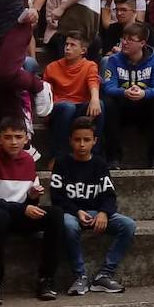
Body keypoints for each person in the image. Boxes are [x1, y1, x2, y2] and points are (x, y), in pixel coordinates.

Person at [0, 117, 63, 305]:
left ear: (26, 139)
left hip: (17, 214)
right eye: (8, 137)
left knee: (55, 215)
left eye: (18, 137)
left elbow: (30, 201)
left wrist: (32, 196)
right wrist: (23, 208)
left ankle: (46, 279)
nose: (13, 142)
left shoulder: (29, 160)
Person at [51, 117, 136, 295]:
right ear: (70, 140)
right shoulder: (61, 163)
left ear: (94, 141)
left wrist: (104, 213)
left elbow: (109, 195)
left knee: (128, 225)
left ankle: (104, 275)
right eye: (77, 139)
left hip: (97, 213)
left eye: (86, 140)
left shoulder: (100, 164)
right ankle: (80, 276)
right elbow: (57, 197)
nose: (82, 144)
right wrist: (77, 211)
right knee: (68, 225)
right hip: (72, 213)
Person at [101, 22, 154, 169]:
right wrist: (124, 92)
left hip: (145, 107)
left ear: (142, 43)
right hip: (122, 106)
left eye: (130, 40)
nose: (125, 42)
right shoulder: (114, 60)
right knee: (107, 102)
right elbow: (108, 87)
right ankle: (113, 158)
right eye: (124, 38)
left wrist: (144, 93)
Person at [43, 31, 103, 168]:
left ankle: (95, 155)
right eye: (66, 44)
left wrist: (95, 99)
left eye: (72, 45)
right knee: (67, 107)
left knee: (100, 104)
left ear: (83, 51)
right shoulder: (52, 67)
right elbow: (46, 94)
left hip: (80, 106)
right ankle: (58, 157)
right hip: (59, 108)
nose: (67, 48)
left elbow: (93, 81)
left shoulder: (90, 65)